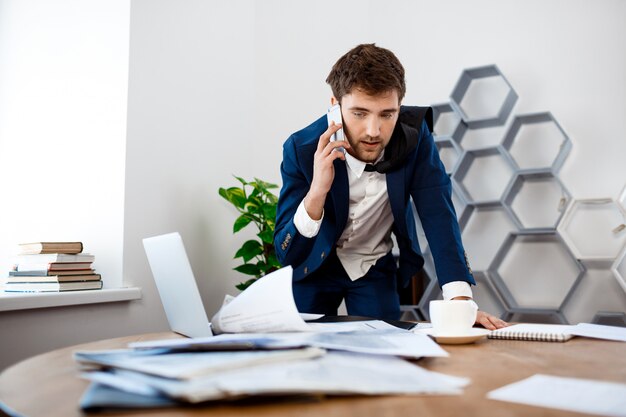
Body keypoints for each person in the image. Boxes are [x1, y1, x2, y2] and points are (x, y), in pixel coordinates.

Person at [274, 43, 507, 330]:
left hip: (374, 265)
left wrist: (460, 301)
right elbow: (287, 252)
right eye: (360, 113)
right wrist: (316, 193)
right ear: (335, 105)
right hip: (314, 267)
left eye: (387, 114)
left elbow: (438, 214)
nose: (374, 131)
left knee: (389, 350)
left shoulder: (415, 135)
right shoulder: (301, 148)